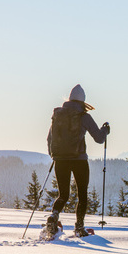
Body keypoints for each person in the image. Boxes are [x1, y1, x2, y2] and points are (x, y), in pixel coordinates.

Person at [45, 84, 110, 238]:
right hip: (79, 160)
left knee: (63, 195)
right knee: (82, 194)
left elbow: (49, 139)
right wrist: (105, 130)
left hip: (60, 160)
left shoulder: (57, 115)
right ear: (83, 101)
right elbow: (99, 139)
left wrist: (55, 155)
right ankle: (79, 227)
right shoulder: (83, 116)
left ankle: (53, 217)